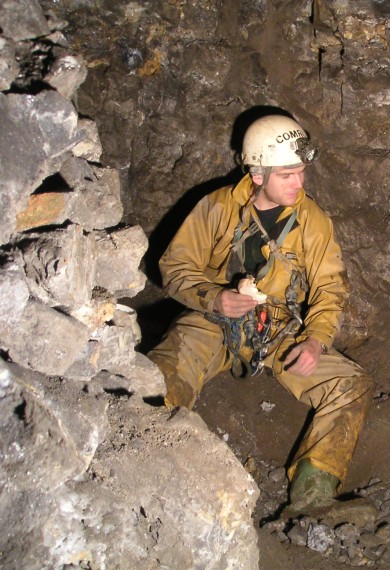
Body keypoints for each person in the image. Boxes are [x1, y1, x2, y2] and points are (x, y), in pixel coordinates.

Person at [148, 112, 375, 515]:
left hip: (277, 331)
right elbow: (175, 268)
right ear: (257, 174)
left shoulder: (312, 221)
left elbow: (330, 286)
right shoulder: (215, 208)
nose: (299, 183)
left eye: (301, 173)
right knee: (164, 369)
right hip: (212, 322)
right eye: (287, 174)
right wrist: (214, 298)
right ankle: (145, 453)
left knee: (351, 384)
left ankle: (313, 493)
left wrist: (316, 340)